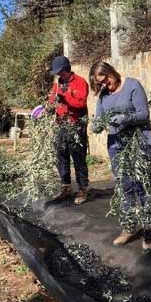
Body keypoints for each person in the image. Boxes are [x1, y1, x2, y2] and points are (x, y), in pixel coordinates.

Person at [89, 60, 151, 250]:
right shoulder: (103, 95)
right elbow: (100, 117)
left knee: (141, 185)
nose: (105, 85)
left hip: (139, 142)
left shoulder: (132, 86)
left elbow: (144, 114)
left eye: (106, 80)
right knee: (124, 185)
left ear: (112, 72)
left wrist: (125, 119)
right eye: (100, 83)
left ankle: (149, 231)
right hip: (117, 145)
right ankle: (128, 227)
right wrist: (96, 125)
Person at [49, 56, 89, 205]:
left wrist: (64, 97)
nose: (59, 75)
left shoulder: (80, 82)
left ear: (66, 69)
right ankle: (65, 186)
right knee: (61, 156)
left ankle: (83, 189)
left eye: (60, 72)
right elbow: (53, 101)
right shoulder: (58, 84)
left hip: (76, 125)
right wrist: (49, 105)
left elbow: (80, 103)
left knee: (78, 158)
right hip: (61, 125)